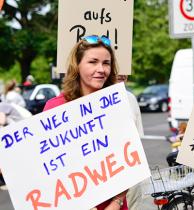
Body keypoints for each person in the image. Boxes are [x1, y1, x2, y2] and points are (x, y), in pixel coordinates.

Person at [43, 35, 128, 210]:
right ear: (77, 65)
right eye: (93, 62)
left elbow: (130, 158)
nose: (101, 69)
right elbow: (48, 169)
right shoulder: (55, 107)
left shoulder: (116, 104)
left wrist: (116, 202)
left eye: (106, 63)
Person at [116, 74, 144, 210]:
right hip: (107, 174)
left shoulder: (131, 98)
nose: (122, 74)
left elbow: (138, 136)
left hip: (131, 170)